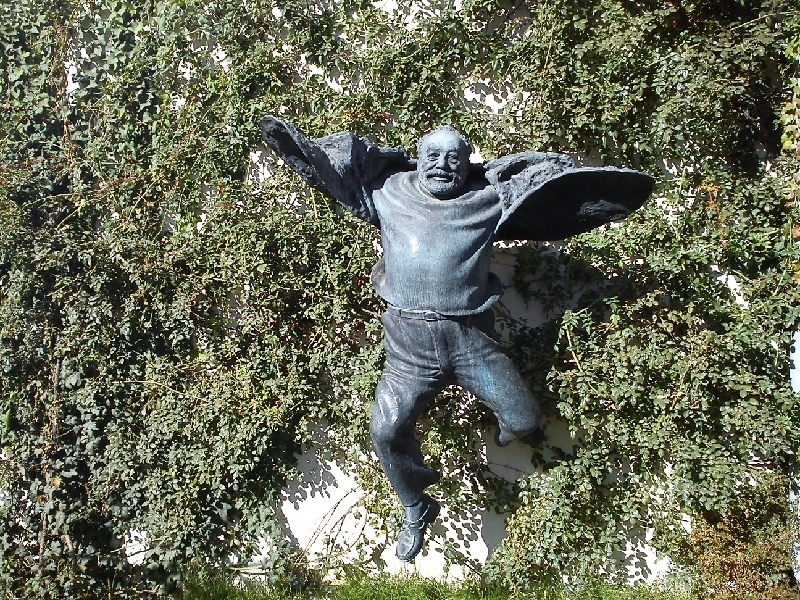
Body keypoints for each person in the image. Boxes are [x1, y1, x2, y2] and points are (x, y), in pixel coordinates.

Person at [259, 116, 652, 562]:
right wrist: (296, 146)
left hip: (471, 341)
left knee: (524, 419)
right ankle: (416, 505)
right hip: (408, 347)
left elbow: (550, 195)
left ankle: (505, 431)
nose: (442, 165)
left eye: (453, 158)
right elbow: (332, 172)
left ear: (468, 164)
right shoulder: (385, 190)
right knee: (385, 430)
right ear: (417, 157)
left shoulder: (489, 197)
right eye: (432, 155)